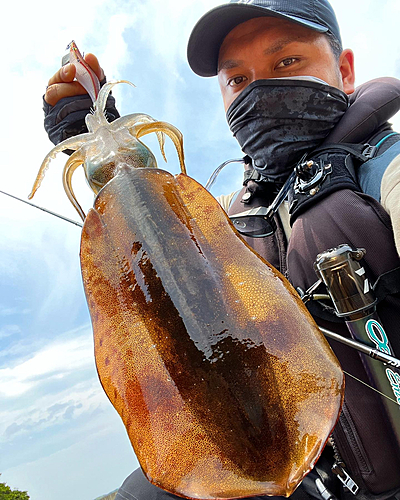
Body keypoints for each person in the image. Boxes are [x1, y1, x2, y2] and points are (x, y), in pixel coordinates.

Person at [43, 1, 400, 499]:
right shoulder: (232, 214)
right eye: (237, 80)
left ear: (343, 71)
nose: (258, 90)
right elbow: (151, 248)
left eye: (286, 63)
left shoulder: (388, 175)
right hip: (301, 477)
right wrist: (94, 145)